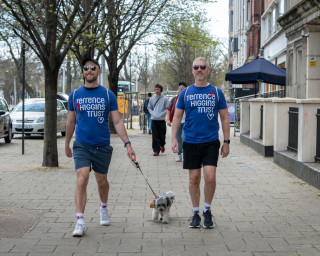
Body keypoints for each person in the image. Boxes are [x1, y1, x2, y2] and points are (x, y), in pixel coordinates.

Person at [65, 57, 135, 237]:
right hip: (82, 144)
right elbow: (71, 121)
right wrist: (66, 144)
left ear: (98, 71)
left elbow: (117, 121)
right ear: (83, 72)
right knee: (82, 177)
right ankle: (79, 220)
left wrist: (127, 144)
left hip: (102, 145)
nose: (89, 71)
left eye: (92, 68)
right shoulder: (74, 95)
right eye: (86, 68)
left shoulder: (107, 95)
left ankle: (103, 208)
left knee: (101, 180)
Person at [171, 57, 230, 229]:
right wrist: (174, 138)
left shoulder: (217, 93)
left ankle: (207, 210)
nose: (199, 70)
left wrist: (226, 142)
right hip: (190, 141)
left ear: (208, 70)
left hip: (211, 141)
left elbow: (225, 119)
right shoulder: (186, 93)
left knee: (210, 177)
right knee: (194, 178)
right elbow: (177, 116)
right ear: (192, 70)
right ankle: (196, 212)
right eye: (196, 67)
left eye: (202, 67)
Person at [166, 82, 187, 162]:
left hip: (186, 122)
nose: (181, 89)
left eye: (183, 88)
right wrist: (168, 120)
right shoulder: (174, 99)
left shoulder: (188, 98)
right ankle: (179, 154)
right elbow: (168, 109)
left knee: (184, 138)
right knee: (178, 139)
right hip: (177, 122)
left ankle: (185, 155)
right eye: (179, 88)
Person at [147, 84, 169, 156]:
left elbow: (168, 108)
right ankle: (156, 150)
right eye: (155, 89)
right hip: (154, 119)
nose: (156, 91)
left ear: (161, 90)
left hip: (161, 119)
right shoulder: (152, 99)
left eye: (158, 89)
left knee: (162, 135)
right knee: (155, 135)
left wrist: (163, 114)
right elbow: (149, 107)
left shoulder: (165, 99)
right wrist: (152, 113)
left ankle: (162, 145)